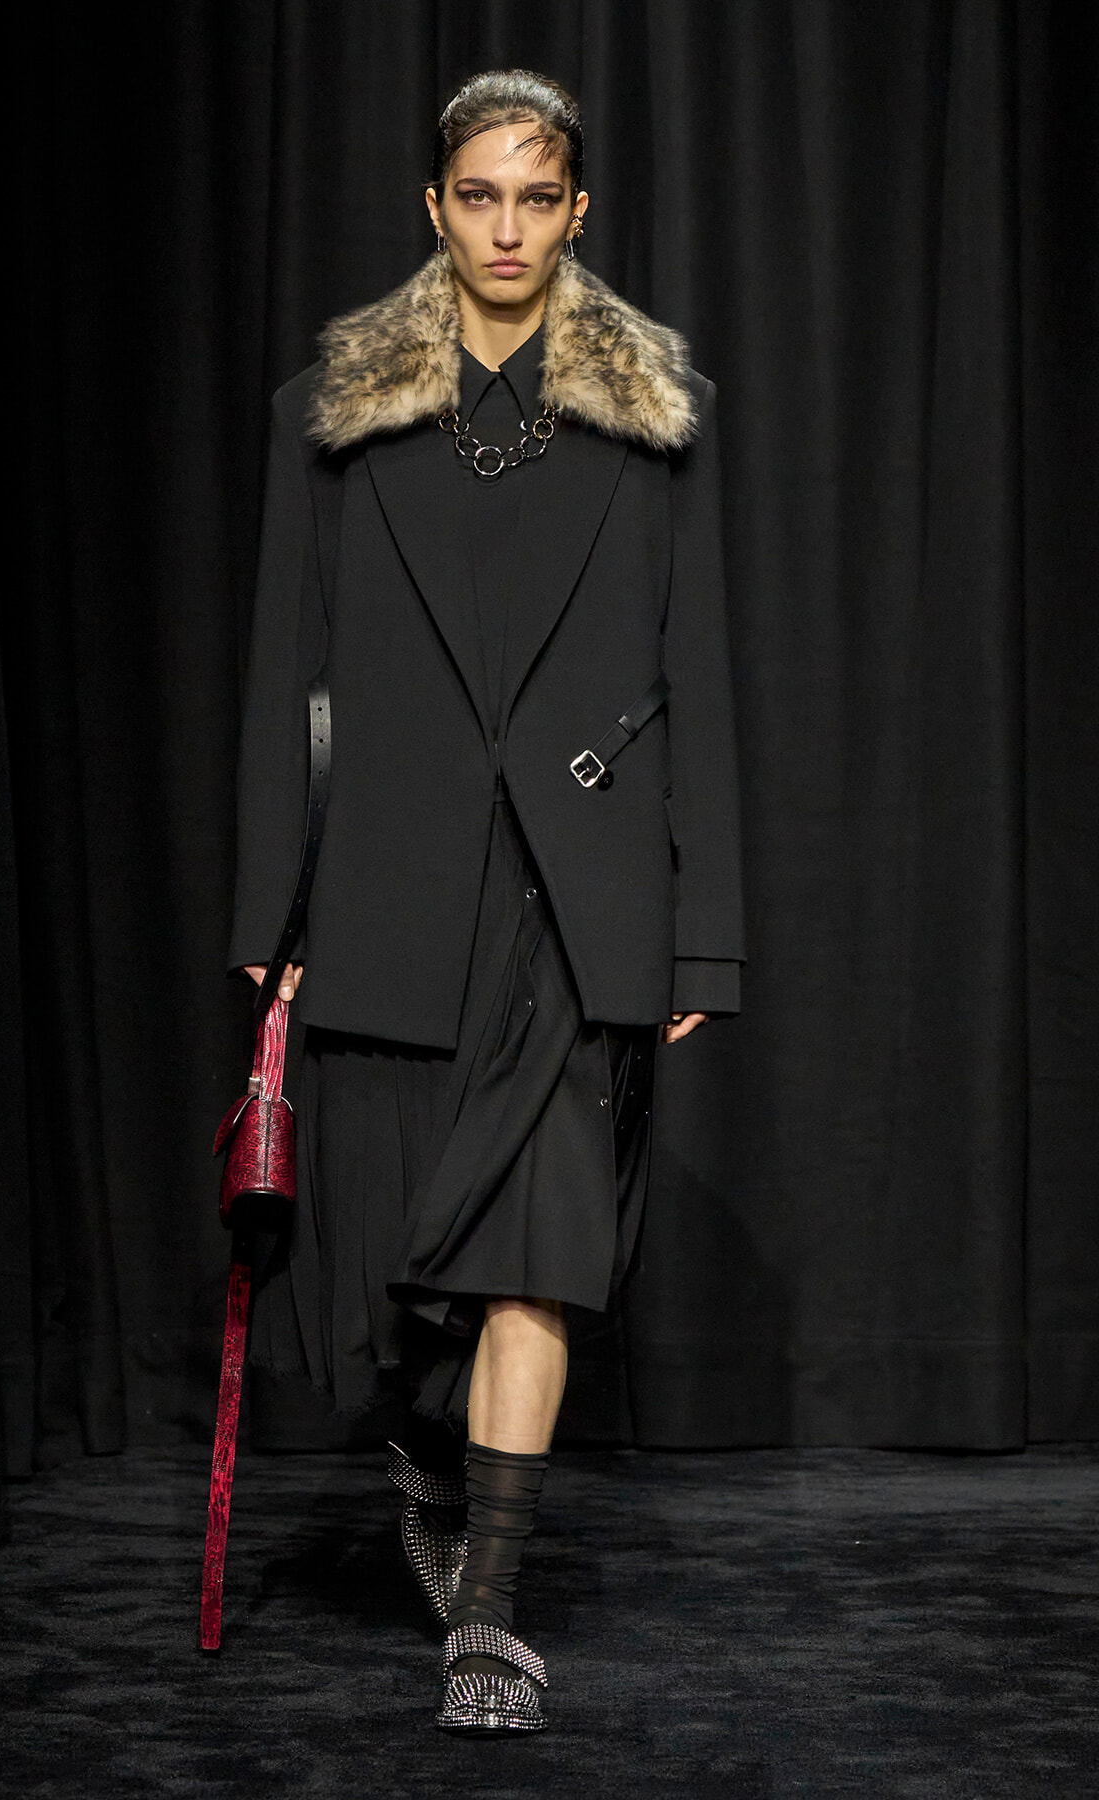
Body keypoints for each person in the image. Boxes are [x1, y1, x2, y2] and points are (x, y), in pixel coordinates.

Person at [228, 67, 744, 1734]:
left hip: (576, 901)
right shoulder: (337, 413)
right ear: (435, 209)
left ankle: (490, 1620)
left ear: (577, 214)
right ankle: (424, 1461)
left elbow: (702, 684)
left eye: (540, 199)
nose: (508, 229)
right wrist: (270, 918)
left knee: (537, 1261)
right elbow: (281, 684)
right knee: (403, 1279)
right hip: (391, 888)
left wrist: (700, 927)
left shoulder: (656, 420)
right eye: (479, 198)